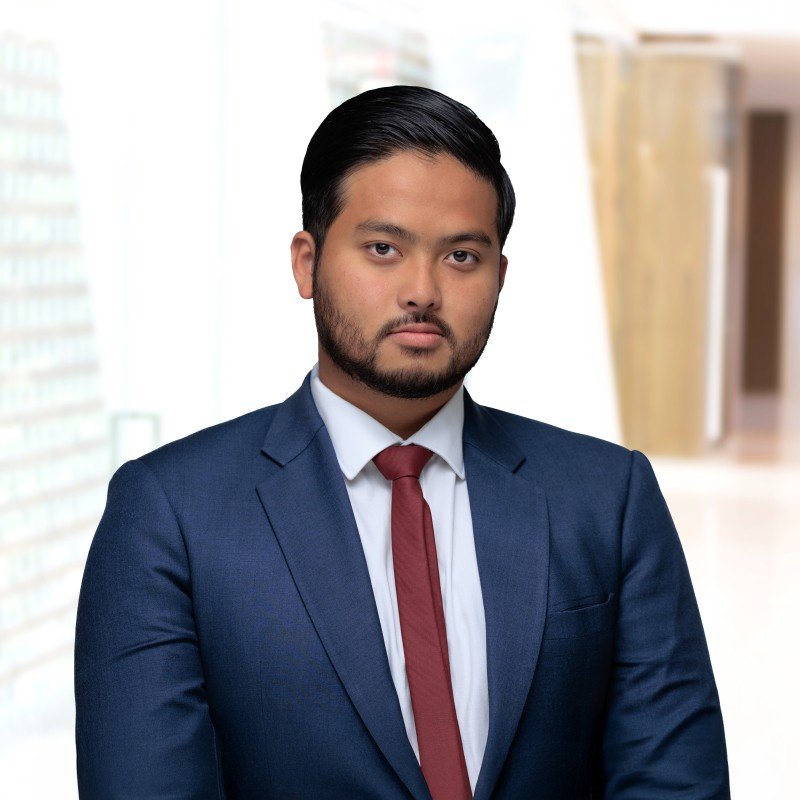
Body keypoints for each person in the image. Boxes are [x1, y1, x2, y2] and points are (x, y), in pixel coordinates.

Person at [74, 85, 730, 799]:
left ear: (500, 278)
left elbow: (675, 782)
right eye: (383, 248)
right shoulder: (170, 514)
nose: (422, 290)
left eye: (461, 257)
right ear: (306, 262)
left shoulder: (607, 498)